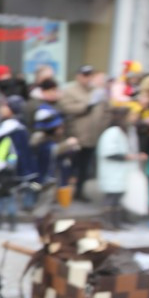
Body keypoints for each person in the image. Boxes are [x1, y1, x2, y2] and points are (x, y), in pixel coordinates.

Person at [58, 65, 108, 202]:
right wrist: (86, 106)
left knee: (85, 167)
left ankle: (80, 191)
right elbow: (66, 108)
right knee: (71, 166)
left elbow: (106, 111)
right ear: (78, 76)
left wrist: (102, 126)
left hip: (93, 136)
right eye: (85, 75)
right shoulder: (69, 91)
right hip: (76, 136)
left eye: (89, 75)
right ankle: (65, 192)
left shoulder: (98, 91)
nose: (87, 78)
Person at [0, 96, 33, 231]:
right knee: (0, 194)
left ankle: (8, 221)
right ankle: (0, 220)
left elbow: (17, 151)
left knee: (8, 195)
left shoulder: (15, 129)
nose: (1, 109)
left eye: (5, 106)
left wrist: (9, 164)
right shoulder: (3, 125)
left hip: (7, 167)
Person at [96, 105, 145, 229]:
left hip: (121, 172)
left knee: (118, 199)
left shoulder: (127, 131)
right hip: (112, 171)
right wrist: (131, 157)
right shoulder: (112, 132)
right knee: (111, 198)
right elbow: (109, 153)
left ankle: (117, 223)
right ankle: (108, 223)